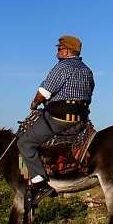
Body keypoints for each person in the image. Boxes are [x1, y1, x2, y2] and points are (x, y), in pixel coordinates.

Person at [18, 35, 95, 206]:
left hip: (58, 119)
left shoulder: (61, 68)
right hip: (80, 120)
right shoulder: (88, 71)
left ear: (67, 51)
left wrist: (34, 103)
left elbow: (43, 93)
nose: (57, 53)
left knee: (25, 142)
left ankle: (39, 183)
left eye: (59, 49)